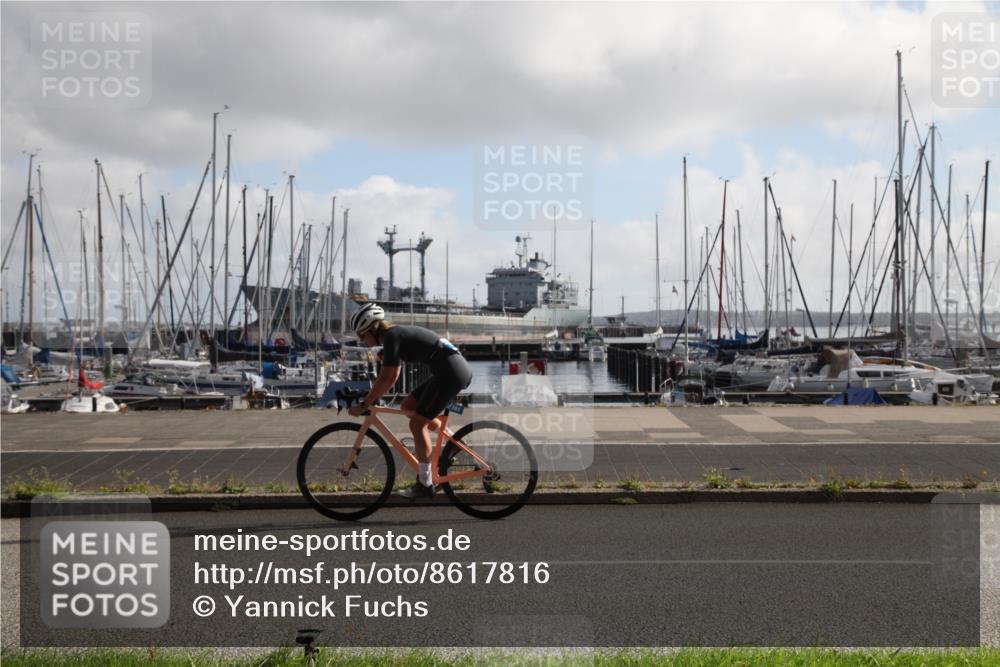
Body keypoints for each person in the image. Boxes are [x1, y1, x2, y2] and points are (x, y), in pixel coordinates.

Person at [347, 302, 472, 498]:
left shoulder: (392, 337)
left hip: (450, 372)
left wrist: (365, 404)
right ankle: (453, 443)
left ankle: (425, 483)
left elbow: (389, 378)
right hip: (448, 368)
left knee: (417, 424)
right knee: (408, 406)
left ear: (372, 328)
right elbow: (391, 373)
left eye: (362, 335)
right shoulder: (393, 337)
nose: (361, 339)